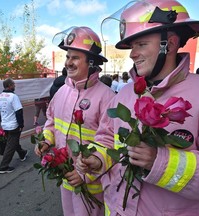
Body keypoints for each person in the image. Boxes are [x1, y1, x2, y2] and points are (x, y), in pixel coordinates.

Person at [76, 1, 199, 215]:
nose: (132, 54)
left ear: (172, 43)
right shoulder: (124, 94)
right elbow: (106, 137)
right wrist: (98, 158)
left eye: (141, 44)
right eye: (132, 47)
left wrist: (161, 162)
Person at [34, 26, 115, 216]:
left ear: (92, 62)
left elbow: (112, 143)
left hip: (93, 185)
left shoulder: (108, 97)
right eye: (68, 57)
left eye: (75, 58)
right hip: (66, 179)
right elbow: (52, 121)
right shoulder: (62, 91)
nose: (68, 63)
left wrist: (85, 174)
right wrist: (46, 140)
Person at [0, 78, 29, 174]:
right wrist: (21, 124)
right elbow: (19, 111)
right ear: (10, 85)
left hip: (5, 124)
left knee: (12, 141)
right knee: (10, 145)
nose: (15, 86)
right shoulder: (13, 97)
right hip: (13, 124)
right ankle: (3, 167)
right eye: (14, 84)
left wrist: (3, 121)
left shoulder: (0, 96)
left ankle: (22, 153)